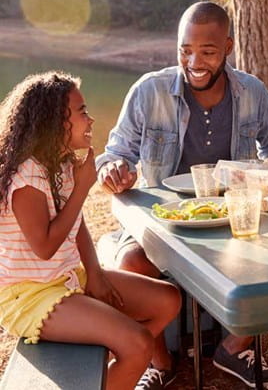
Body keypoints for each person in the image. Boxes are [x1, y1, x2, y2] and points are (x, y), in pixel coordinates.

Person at [96, 1, 268, 388]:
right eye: (186, 50)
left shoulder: (252, 93)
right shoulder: (148, 91)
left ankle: (233, 349)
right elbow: (115, 153)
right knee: (133, 262)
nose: (194, 61)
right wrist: (113, 170)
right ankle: (160, 361)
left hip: (233, 221)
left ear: (229, 47)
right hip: (161, 222)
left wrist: (262, 177)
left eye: (207, 51)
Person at [0, 71, 182, 390]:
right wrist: (83, 187)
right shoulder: (27, 177)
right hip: (30, 295)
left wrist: (95, 272)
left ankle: (114, 375)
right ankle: (124, 366)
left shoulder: (63, 162)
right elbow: (44, 247)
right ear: (55, 121)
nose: (91, 119)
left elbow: (76, 224)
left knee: (167, 300)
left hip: (69, 277)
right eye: (82, 111)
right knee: (138, 343)